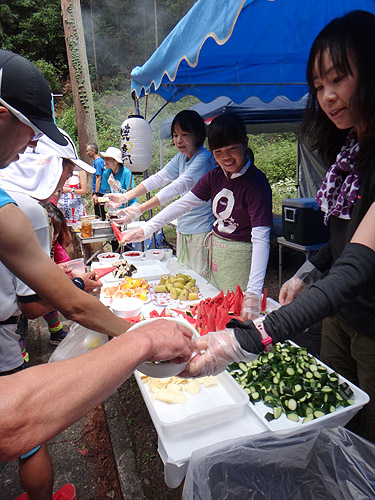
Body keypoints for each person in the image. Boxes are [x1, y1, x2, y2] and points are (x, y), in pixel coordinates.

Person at [184, 10, 375, 443]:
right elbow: (345, 239)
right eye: (318, 86)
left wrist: (251, 337)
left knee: (367, 432)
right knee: (331, 416)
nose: (327, 96)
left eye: (339, 78)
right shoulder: (350, 153)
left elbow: (357, 267)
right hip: (339, 316)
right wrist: (309, 270)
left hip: (371, 319)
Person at [0, 49, 193, 467]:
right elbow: (11, 421)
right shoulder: (20, 212)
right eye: (32, 132)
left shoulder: (9, 210)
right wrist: (141, 338)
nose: (31, 147)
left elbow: (67, 300)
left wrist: (139, 335)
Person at [121, 113, 273, 320]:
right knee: (218, 307)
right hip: (217, 253)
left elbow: (261, 238)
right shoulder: (216, 176)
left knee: (240, 314)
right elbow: (183, 203)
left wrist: (254, 291)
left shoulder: (256, 183)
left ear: (245, 143)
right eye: (218, 152)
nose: (226, 157)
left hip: (242, 257)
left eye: (232, 149)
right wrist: (147, 228)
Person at [106, 110, 215, 276]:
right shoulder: (181, 157)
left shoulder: (203, 159)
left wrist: (139, 210)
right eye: (175, 135)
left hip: (202, 229)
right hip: (185, 227)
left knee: (199, 279)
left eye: (184, 134)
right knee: (186, 276)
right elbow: (158, 178)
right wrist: (125, 196)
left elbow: (176, 188)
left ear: (198, 135)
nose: (178, 140)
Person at [86, 142, 106, 220]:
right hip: (98, 190)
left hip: (100, 191)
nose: (87, 153)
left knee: (99, 213)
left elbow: (98, 178)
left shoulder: (98, 162)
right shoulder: (98, 161)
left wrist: (96, 193)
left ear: (93, 151)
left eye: (88, 151)